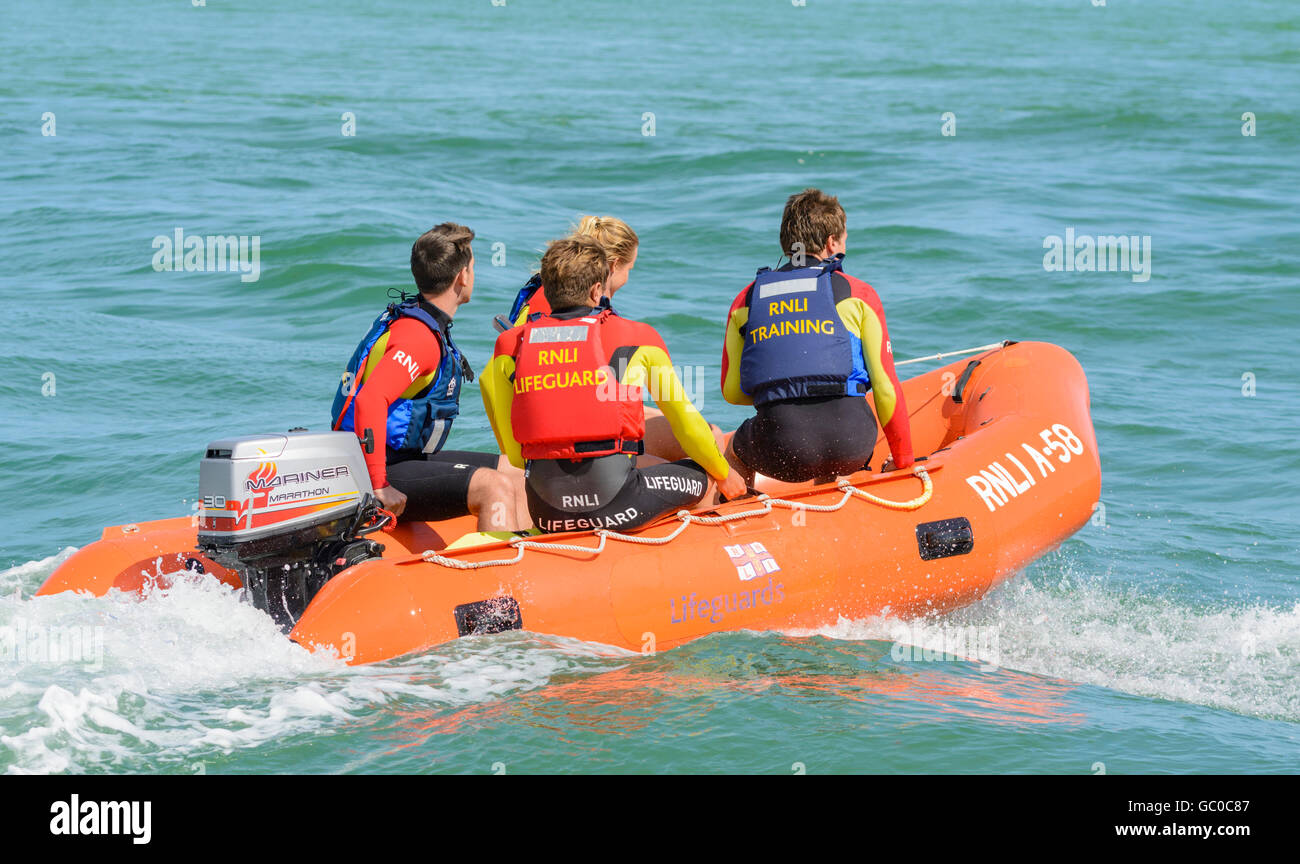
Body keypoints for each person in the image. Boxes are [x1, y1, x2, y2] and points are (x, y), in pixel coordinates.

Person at [482, 236, 745, 533]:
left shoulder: (509, 345)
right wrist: (724, 474)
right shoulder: (638, 337)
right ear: (597, 290)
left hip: (545, 511)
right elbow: (688, 427)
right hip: (617, 505)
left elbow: (517, 455)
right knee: (706, 472)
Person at [331, 222, 530, 531]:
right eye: (473, 267)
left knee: (515, 471)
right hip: (380, 470)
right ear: (462, 276)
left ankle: (531, 559)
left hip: (406, 459)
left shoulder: (423, 325)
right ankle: (502, 575)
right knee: (494, 485)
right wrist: (379, 484)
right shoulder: (418, 339)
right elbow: (371, 398)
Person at [721, 189, 914, 484]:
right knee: (834, 448)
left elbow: (732, 392)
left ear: (787, 243)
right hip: (853, 442)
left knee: (733, 451)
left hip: (781, 447)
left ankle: (740, 513)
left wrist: (786, 390)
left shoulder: (746, 300)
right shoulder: (859, 294)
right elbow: (886, 390)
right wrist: (903, 463)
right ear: (831, 242)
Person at [499, 215, 719, 462]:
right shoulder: (582, 310)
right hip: (580, 442)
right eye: (630, 269)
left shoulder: (548, 293)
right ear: (612, 266)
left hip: (537, 438)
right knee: (710, 437)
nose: (628, 277)